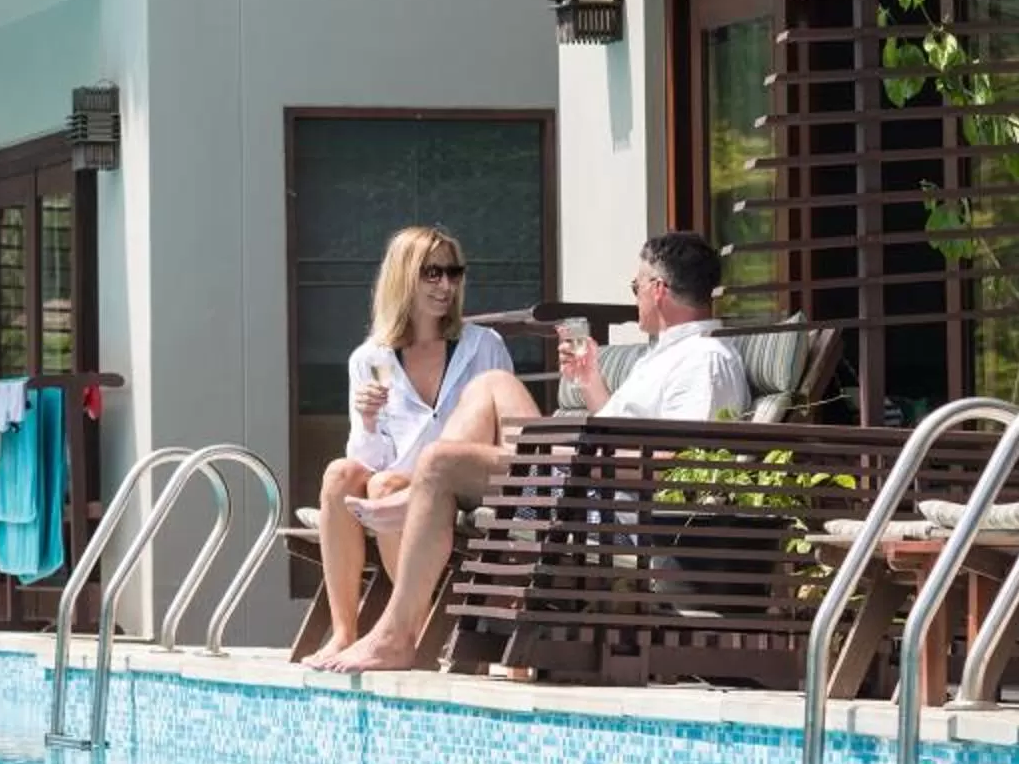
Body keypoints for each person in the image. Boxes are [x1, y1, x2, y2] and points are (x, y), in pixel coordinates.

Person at [309, 231, 748, 674]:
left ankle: (397, 634)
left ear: (658, 290)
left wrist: (585, 457)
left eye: (636, 287)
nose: (634, 298)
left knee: (441, 461)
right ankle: (410, 509)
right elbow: (628, 431)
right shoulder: (664, 357)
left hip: (597, 497)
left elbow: (682, 465)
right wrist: (591, 381)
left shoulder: (704, 360)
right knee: (489, 387)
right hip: (588, 480)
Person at [314, 226, 514, 661]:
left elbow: (503, 432)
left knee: (386, 487)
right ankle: (345, 632)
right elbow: (368, 459)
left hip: (455, 482)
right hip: (395, 478)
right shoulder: (371, 358)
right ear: (404, 277)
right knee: (340, 474)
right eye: (432, 273)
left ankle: (412, 630)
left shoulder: (482, 346)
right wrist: (367, 420)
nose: (446, 285)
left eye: (453, 273)